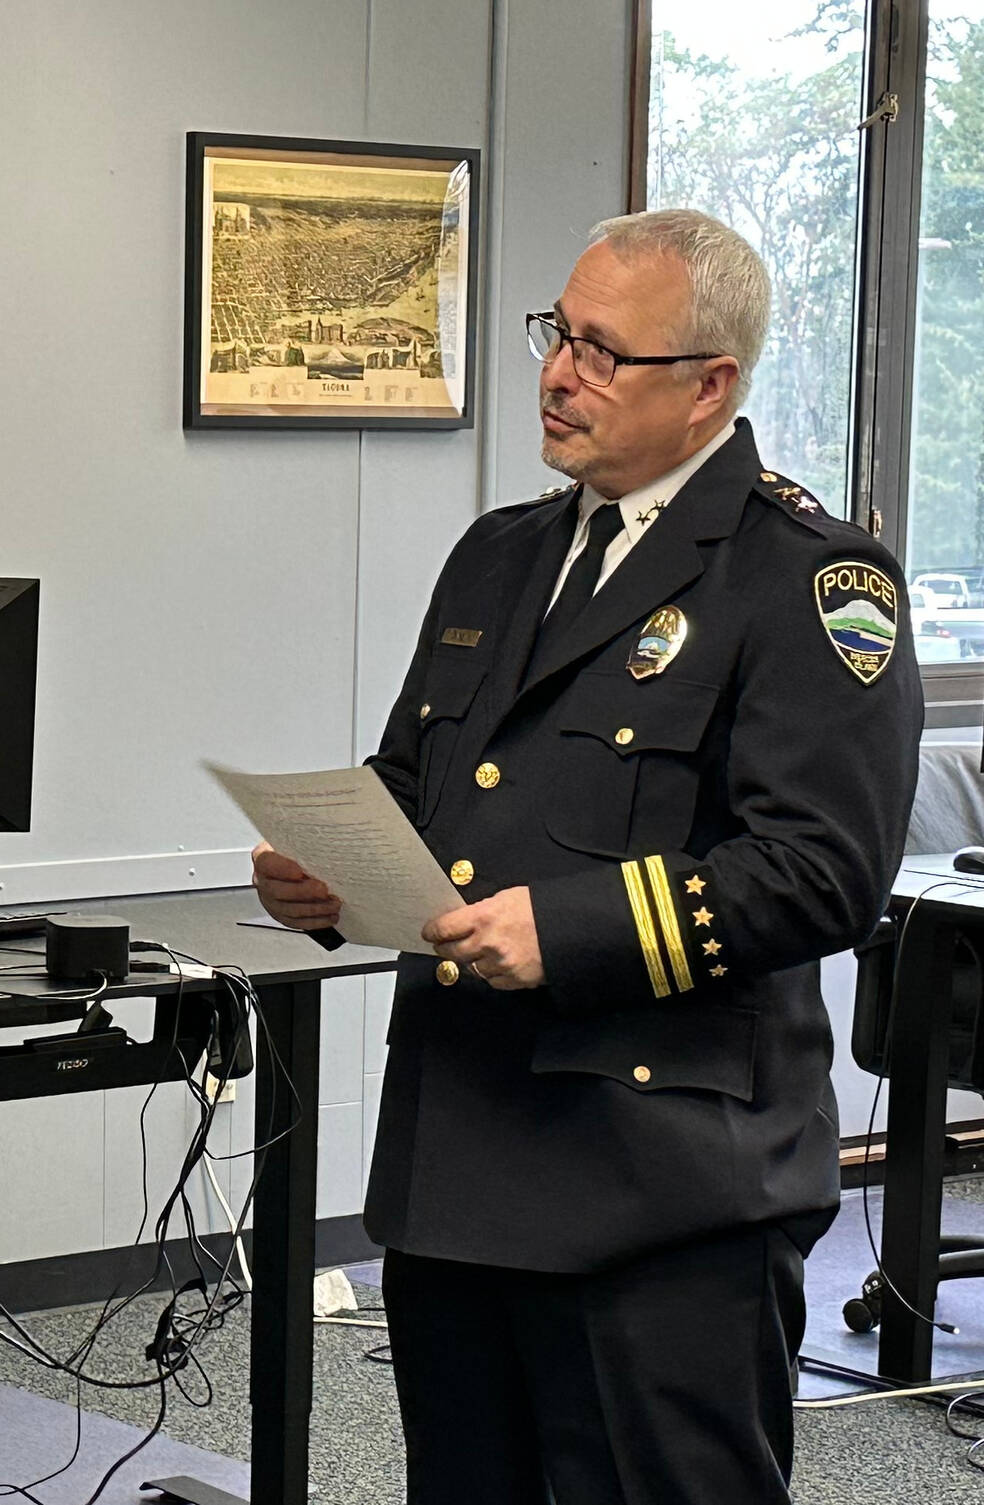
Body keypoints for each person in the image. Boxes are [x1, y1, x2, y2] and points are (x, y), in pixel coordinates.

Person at [253, 210, 923, 1503]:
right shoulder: (500, 555)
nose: (559, 373)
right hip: (458, 1163)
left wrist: (567, 929)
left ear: (710, 386)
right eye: (559, 334)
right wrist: (333, 872)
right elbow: (422, 784)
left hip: (663, 1191)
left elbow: (822, 869)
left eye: (606, 352)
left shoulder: (811, 581)